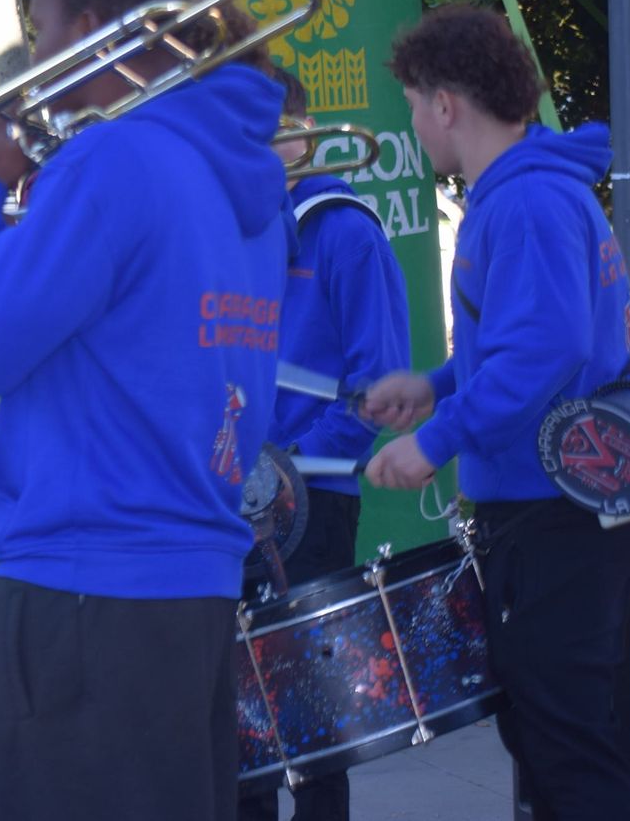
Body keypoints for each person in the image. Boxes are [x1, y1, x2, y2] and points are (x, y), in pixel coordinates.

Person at [0, 0, 290, 821]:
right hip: (190, 586)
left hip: (85, 586)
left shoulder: (112, 159)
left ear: (89, 27)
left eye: (41, 34)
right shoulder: (246, 177)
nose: (33, 64)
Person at [361, 4, 630, 821]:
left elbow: (545, 350)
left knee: (565, 750)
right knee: (552, 737)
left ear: (445, 103)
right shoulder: (530, 193)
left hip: (555, 507)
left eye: (415, 106)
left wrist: (438, 439)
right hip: (559, 500)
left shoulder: (523, 205)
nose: (415, 125)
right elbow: (528, 337)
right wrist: (439, 386)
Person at [238, 75, 411, 821]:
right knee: (240, 728)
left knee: (308, 730)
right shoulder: (237, 228)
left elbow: (381, 384)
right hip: (233, 505)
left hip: (312, 505)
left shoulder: (344, 230)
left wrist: (286, 472)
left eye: (267, 130)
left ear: (305, 132)